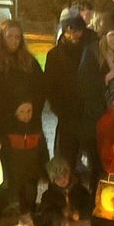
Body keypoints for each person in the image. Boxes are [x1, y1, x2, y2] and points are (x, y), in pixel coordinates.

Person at [77, 11, 114, 181]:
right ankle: (97, 199)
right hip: (97, 115)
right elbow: (84, 82)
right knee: (98, 162)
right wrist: (109, 75)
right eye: (112, 35)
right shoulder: (92, 52)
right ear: (105, 35)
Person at [0, 20, 45, 144]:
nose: (14, 41)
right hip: (5, 125)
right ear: (2, 37)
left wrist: (31, 107)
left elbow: (40, 87)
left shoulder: (29, 61)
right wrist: (14, 109)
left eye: (17, 37)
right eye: (9, 36)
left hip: (29, 123)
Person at [44, 15, 88, 168]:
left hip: (85, 111)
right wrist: (58, 108)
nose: (75, 35)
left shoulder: (86, 51)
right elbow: (49, 84)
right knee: (65, 154)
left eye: (78, 31)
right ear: (64, 31)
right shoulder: (54, 55)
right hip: (66, 112)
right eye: (71, 30)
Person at [2, 97, 49, 216]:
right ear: (15, 112)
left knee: (30, 199)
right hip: (15, 175)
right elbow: (5, 155)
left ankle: (31, 223)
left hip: (32, 174)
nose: (26, 115)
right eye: (22, 112)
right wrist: (5, 174)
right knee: (16, 202)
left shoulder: (36, 131)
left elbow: (43, 153)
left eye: (29, 111)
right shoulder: (10, 132)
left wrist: (45, 172)